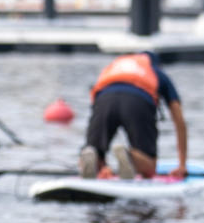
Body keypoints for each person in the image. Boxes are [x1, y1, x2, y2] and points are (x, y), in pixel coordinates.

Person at [79, 52, 188, 180]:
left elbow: (95, 100)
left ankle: (94, 157)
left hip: (104, 100)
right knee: (149, 167)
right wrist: (182, 165)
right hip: (138, 100)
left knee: (93, 150)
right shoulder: (157, 72)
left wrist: (104, 165)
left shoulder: (114, 67)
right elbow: (179, 120)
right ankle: (129, 157)